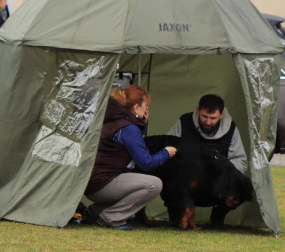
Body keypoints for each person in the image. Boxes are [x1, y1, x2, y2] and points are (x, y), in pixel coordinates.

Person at [85, 85, 176, 230]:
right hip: (103, 184)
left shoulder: (111, 119)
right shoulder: (128, 128)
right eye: (145, 106)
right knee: (154, 184)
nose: (147, 109)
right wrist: (166, 152)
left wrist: (141, 124)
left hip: (92, 183)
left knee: (134, 180)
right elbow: (147, 162)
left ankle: (96, 210)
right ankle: (111, 217)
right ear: (135, 108)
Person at [167, 94, 247, 174]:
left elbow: (241, 163)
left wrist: (218, 167)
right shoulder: (184, 123)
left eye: (213, 118)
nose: (208, 122)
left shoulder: (230, 129)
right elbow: (166, 150)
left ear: (221, 115)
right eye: (204, 116)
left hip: (218, 179)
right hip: (186, 175)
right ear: (198, 110)